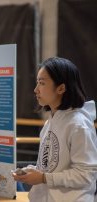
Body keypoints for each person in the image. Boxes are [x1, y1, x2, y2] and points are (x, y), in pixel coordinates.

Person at [13, 57, 97, 201]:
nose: (36, 89)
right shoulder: (52, 121)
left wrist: (44, 177)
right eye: (37, 82)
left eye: (42, 83)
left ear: (61, 88)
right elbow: (52, 167)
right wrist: (34, 172)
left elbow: (86, 175)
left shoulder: (78, 125)